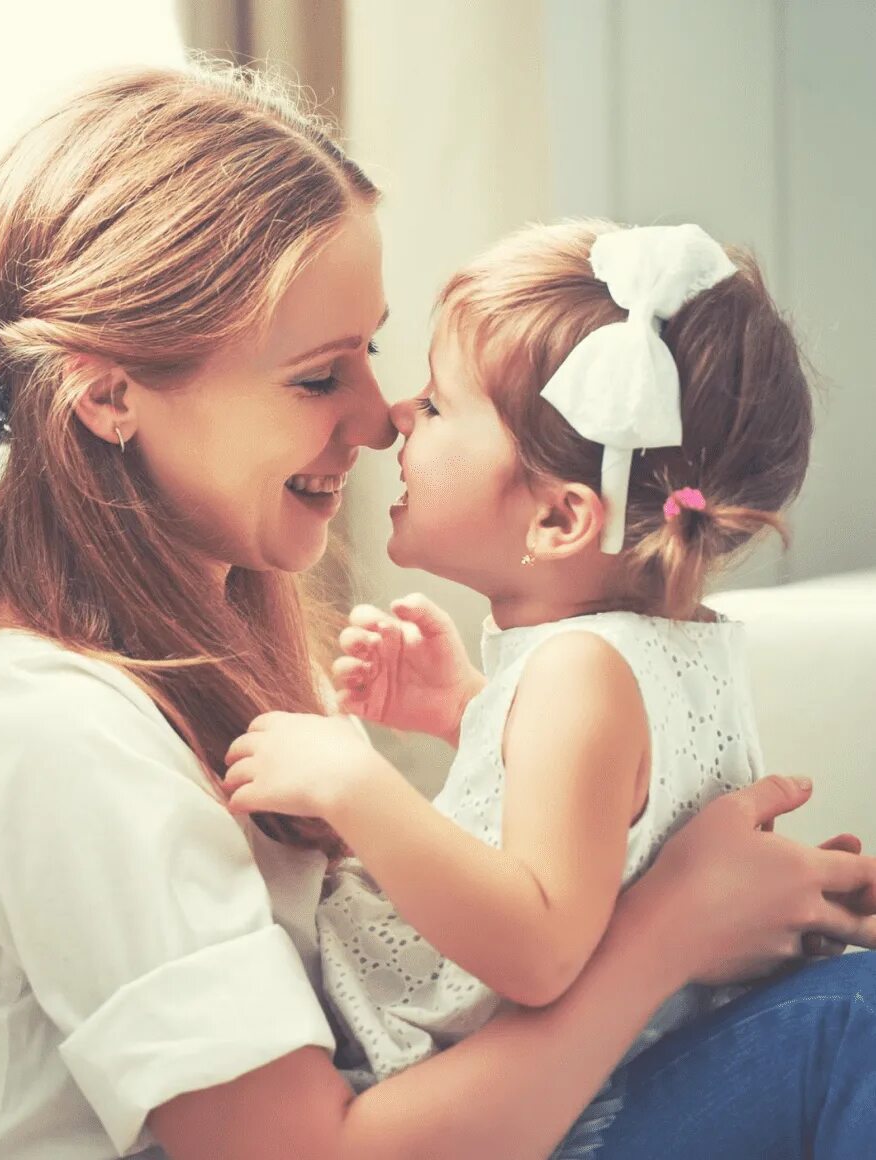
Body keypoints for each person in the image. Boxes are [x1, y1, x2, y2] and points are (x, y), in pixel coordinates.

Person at [0, 64, 876, 1160]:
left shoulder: (197, 655)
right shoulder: (47, 730)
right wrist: (668, 929)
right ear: (107, 395)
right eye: (313, 376)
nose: (381, 421)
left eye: (370, 353)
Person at [222, 220, 812, 1093]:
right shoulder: (671, 650)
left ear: (558, 518)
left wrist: (356, 786)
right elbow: (612, 828)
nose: (394, 416)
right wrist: (470, 711)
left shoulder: (577, 674)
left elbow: (537, 950)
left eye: (435, 404)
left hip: (476, 1086)